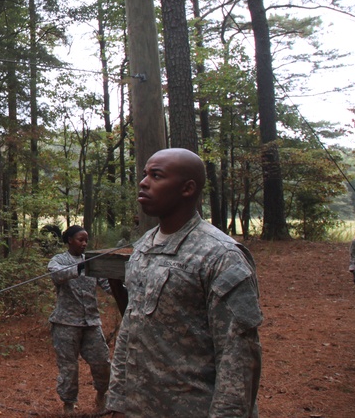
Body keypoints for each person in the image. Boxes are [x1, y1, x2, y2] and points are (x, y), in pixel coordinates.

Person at [106, 148, 263, 418]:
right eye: (145, 174)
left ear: (187, 188)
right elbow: (130, 331)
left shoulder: (221, 256)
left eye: (156, 176)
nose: (143, 182)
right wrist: (118, 402)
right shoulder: (144, 246)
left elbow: (237, 355)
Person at [47, 225, 111, 415]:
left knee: (102, 362)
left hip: (91, 323)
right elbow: (57, 275)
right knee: (69, 367)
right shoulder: (58, 260)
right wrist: (81, 267)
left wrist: (126, 288)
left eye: (86, 240)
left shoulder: (93, 261)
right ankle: (68, 405)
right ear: (69, 240)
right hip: (65, 324)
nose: (84, 243)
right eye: (80, 240)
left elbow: (108, 284)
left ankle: (102, 394)